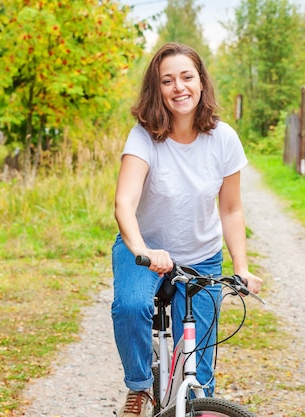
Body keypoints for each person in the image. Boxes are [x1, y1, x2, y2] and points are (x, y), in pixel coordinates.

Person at [111, 42, 263, 417]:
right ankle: (140, 388)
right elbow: (124, 204)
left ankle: (197, 405)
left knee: (199, 370)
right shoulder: (144, 136)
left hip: (201, 256)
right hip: (144, 250)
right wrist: (142, 251)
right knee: (130, 307)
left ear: (200, 82)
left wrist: (241, 267)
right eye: (167, 80)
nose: (179, 87)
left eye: (186, 77)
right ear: (156, 89)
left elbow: (230, 209)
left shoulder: (223, 138)